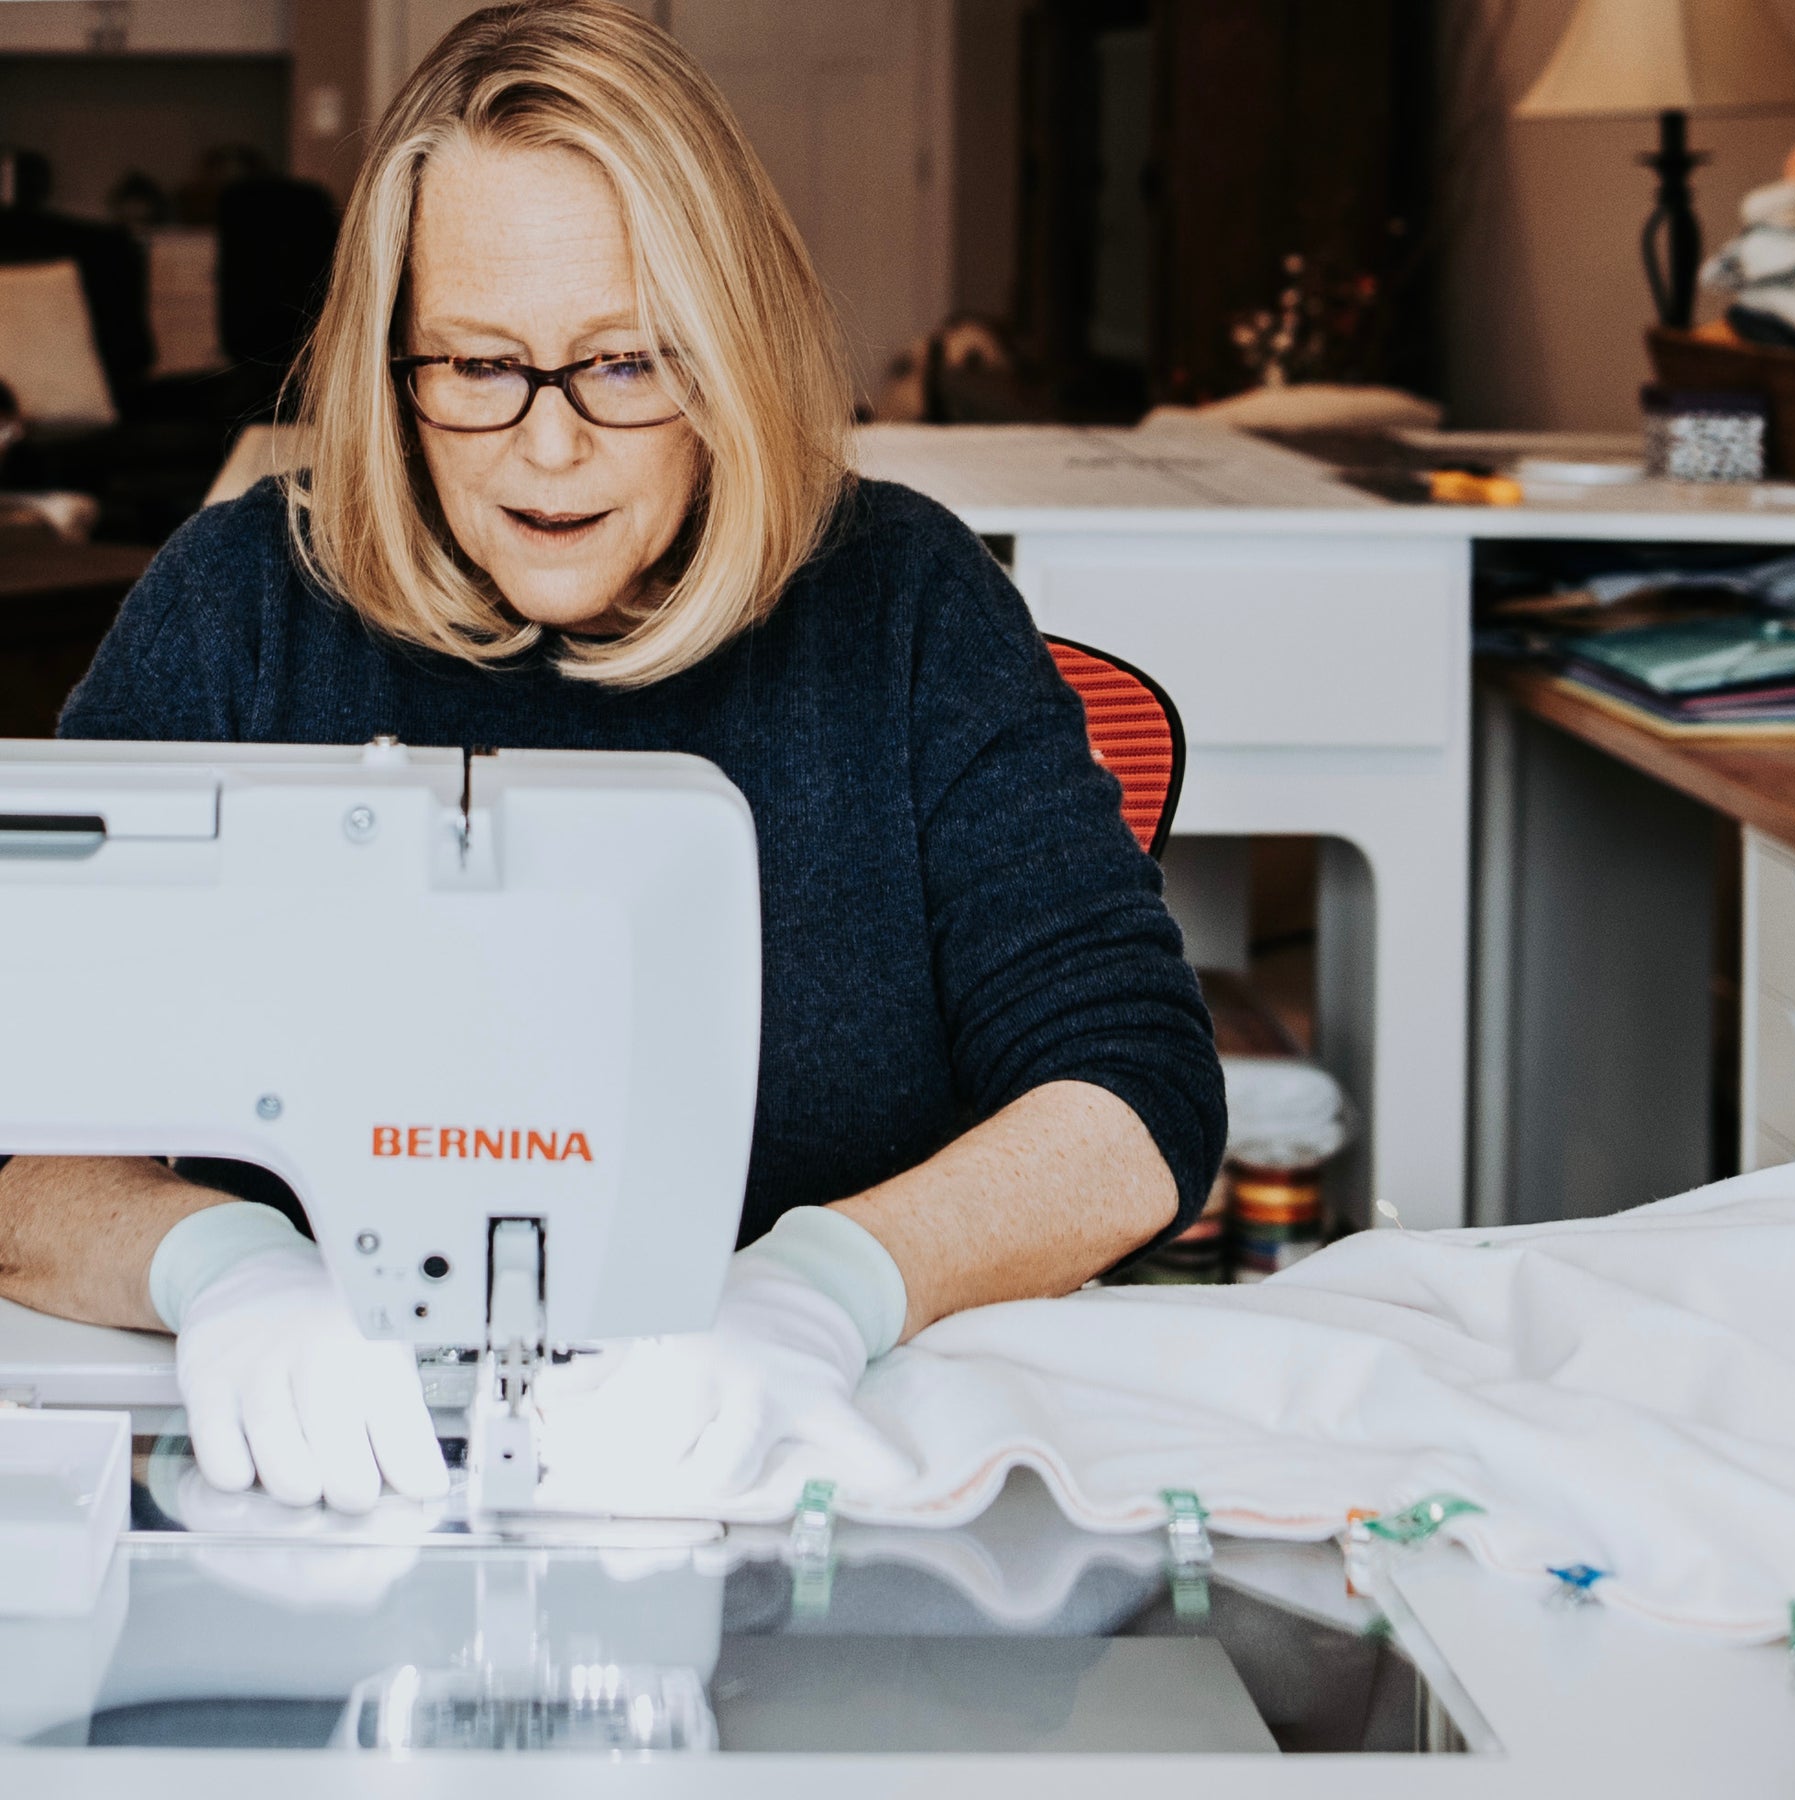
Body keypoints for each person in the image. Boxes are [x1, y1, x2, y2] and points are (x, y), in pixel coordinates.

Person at [0, 1, 1224, 1515]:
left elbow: (1134, 1093)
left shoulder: (907, 603)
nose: (550, 446)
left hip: (810, 1509)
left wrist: (826, 1290)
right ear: (392, 362)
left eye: (626, 363)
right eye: (477, 364)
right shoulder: (238, 609)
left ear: (731, 353)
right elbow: (25, 1136)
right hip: (317, 1508)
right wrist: (222, 1270)